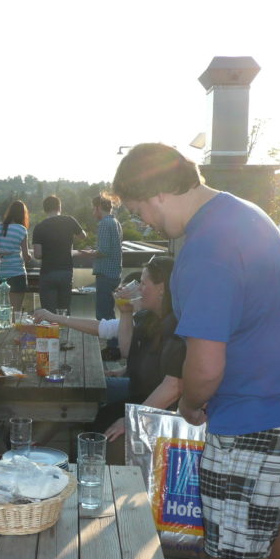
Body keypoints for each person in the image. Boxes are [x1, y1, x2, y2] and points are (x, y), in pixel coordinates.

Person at [112, 143, 280, 559]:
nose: (146, 223)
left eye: (139, 211)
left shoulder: (205, 248)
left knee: (241, 548)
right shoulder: (242, 213)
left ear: (157, 193)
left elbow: (206, 365)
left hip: (256, 415)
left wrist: (191, 406)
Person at [34, 256, 184, 461]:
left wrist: (131, 420)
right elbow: (127, 352)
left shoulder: (176, 326)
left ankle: (49, 452)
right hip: (139, 393)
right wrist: (125, 312)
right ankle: (41, 449)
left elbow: (173, 385)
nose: (139, 289)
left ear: (161, 288)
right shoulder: (148, 318)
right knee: (82, 397)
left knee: (81, 397)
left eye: (143, 283)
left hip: (158, 409)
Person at [32, 195, 86, 312]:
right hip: (65, 271)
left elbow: (37, 254)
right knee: (64, 310)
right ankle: (64, 329)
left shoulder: (39, 227)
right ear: (59, 207)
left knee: (48, 312)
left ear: (45, 209)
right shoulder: (69, 220)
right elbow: (83, 236)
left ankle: (50, 329)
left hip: (47, 272)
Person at [88, 194, 122, 355]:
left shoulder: (103, 224)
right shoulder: (115, 222)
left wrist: (87, 253)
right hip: (115, 272)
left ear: (98, 208)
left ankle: (113, 348)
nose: (93, 212)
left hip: (105, 273)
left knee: (103, 313)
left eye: (93, 209)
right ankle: (114, 345)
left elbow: (103, 250)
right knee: (109, 311)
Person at [0, 200, 32, 310]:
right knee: (16, 311)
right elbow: (25, 256)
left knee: (3, 310)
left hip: (1, 274)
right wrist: (30, 257)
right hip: (17, 273)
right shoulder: (21, 229)